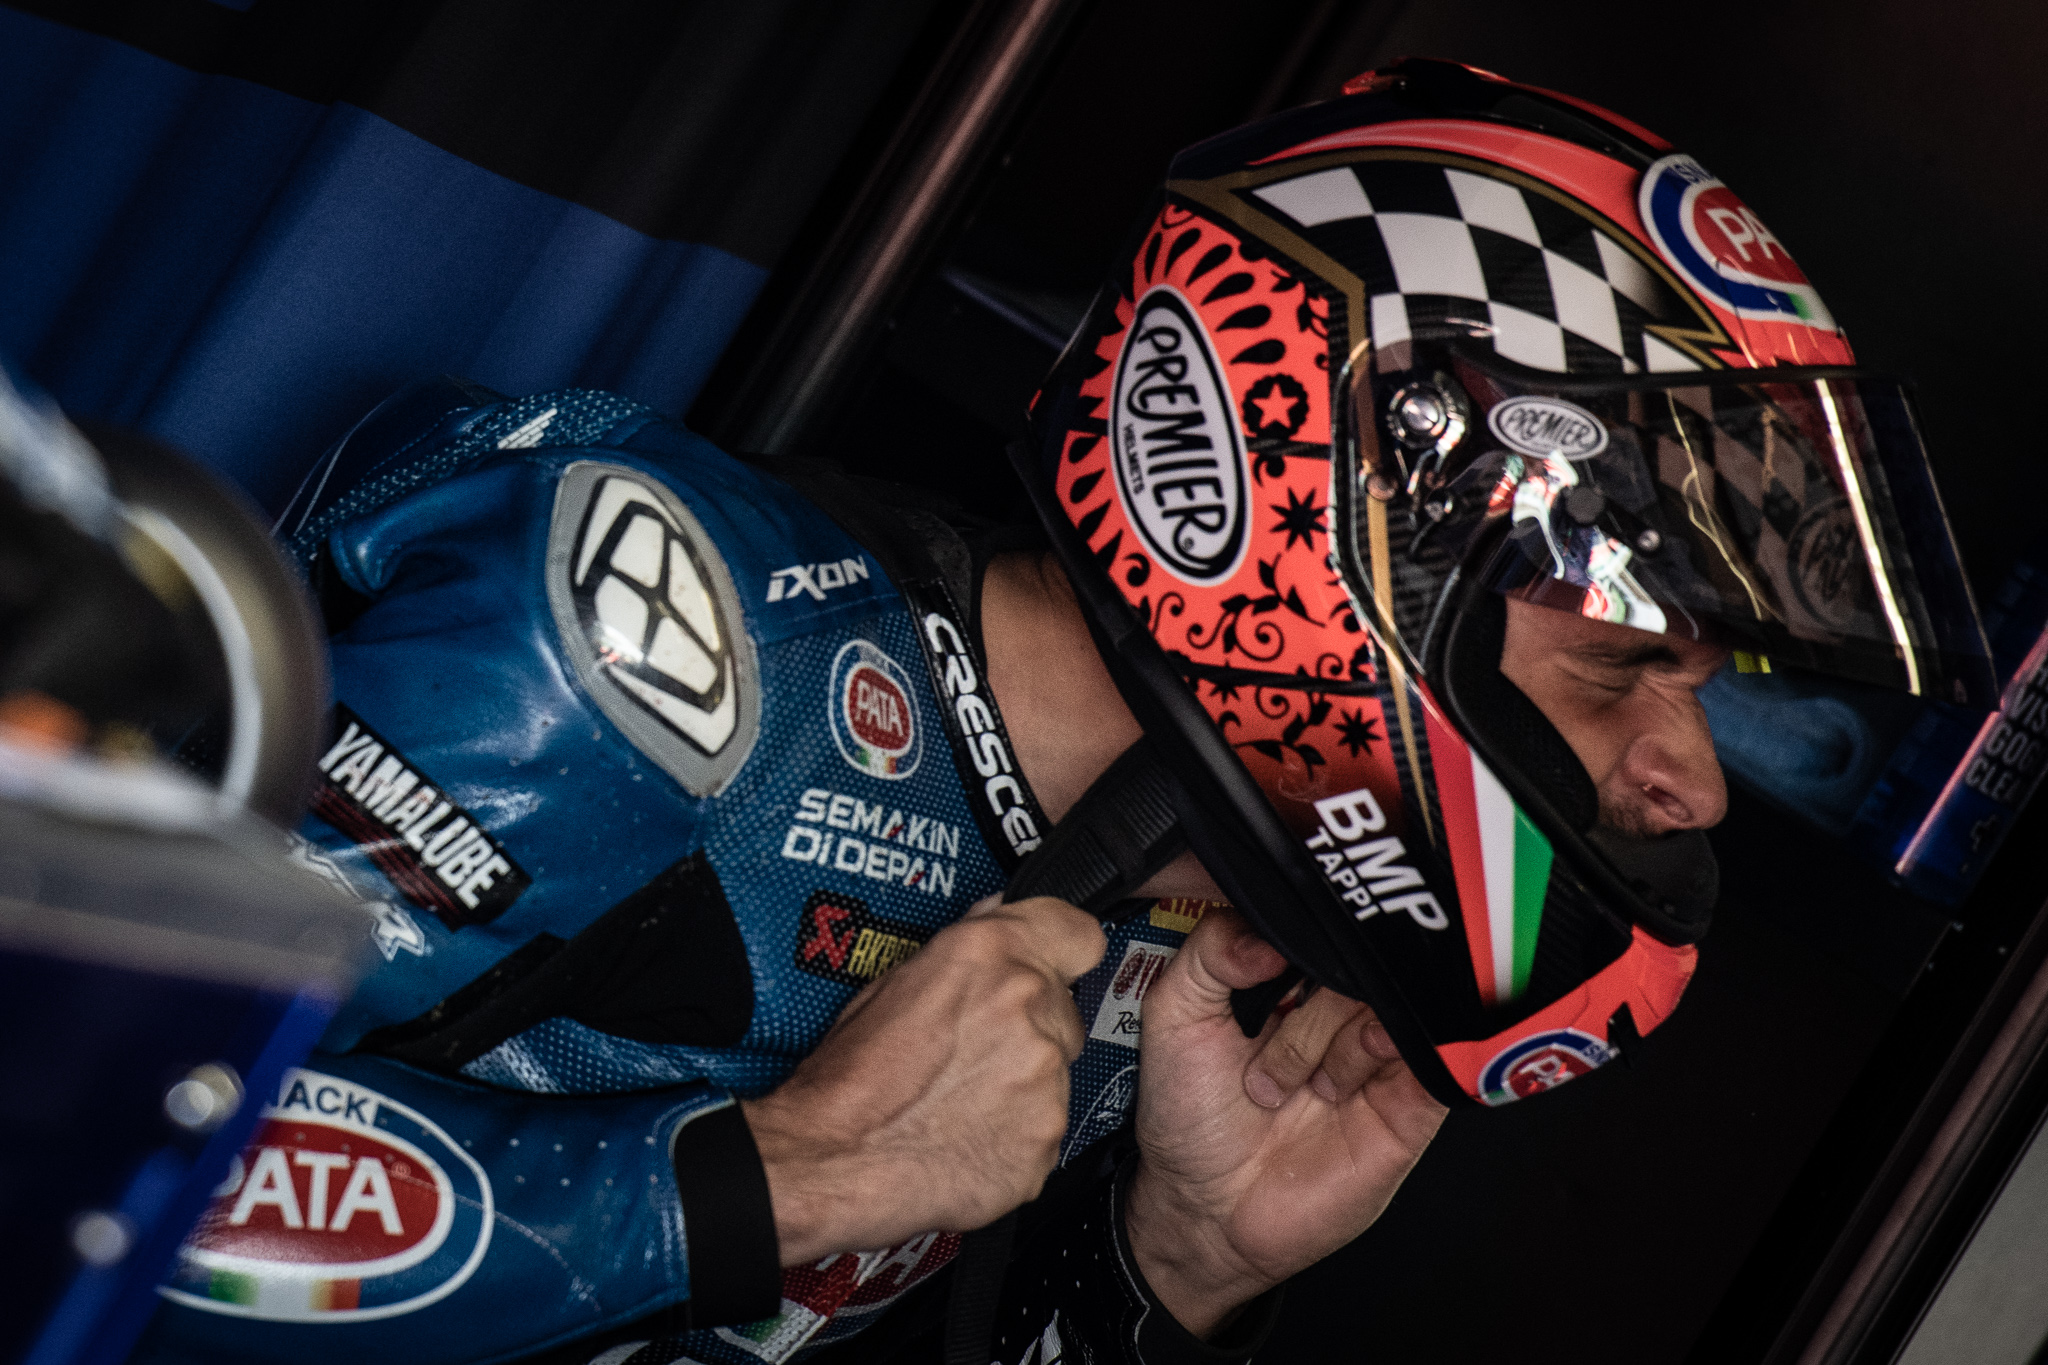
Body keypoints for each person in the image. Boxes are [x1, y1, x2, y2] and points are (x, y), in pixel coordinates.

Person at [132, 58, 1990, 1365]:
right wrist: (781, 1177)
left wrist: (1163, 1279)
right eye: (1627, 666)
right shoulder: (650, 644)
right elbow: (54, 1146)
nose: (1691, 785)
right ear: (1337, 529)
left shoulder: (1174, 964)